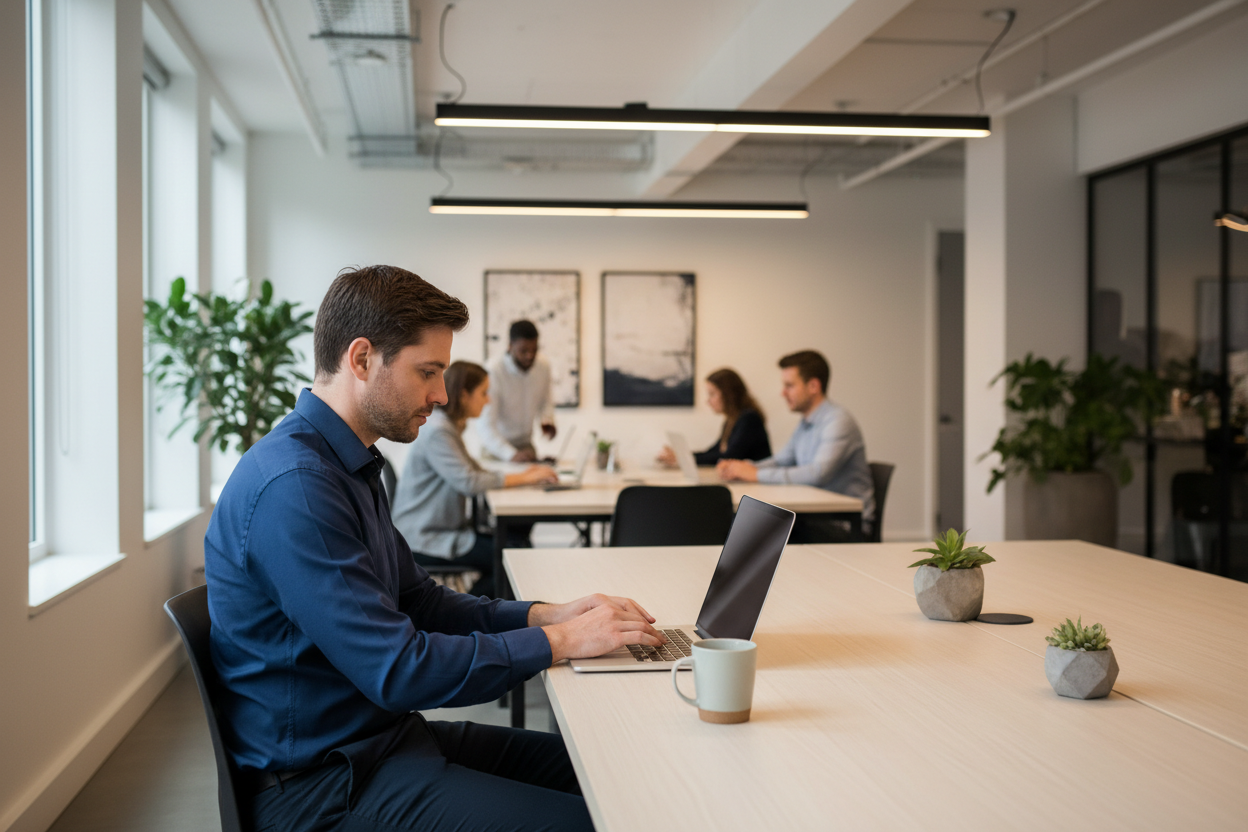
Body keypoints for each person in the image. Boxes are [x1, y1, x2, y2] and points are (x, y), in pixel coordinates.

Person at [203, 265, 666, 832]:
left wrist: (549, 614)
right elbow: (398, 669)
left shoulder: (345, 463)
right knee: (593, 819)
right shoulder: (296, 487)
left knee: (618, 772)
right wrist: (560, 642)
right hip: (324, 786)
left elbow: (419, 602)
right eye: (428, 372)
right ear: (362, 359)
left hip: (382, 742)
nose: (441, 395)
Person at [391, 360, 557, 597]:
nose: (488, 400)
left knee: (517, 543)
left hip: (439, 529)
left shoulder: (448, 426)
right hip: (425, 537)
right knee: (511, 557)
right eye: (483, 393)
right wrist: (524, 478)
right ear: (464, 395)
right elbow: (469, 482)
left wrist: (526, 474)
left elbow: (474, 470)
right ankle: (470, 616)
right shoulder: (439, 431)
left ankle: (488, 615)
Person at [717, 350, 875, 541]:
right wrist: (743, 468)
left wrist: (754, 474)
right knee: (744, 521)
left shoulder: (838, 422)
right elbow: (782, 460)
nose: (783, 393)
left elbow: (817, 474)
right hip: (815, 518)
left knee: (755, 527)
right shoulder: (805, 423)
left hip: (844, 525)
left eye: (789, 386)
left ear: (814, 386)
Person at [658, 368, 770, 467]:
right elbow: (713, 452)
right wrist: (681, 455)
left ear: (728, 394)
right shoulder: (732, 420)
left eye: (712, 394)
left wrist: (683, 458)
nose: (708, 401)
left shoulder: (749, 419)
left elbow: (728, 457)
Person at [479, 319, 556, 462]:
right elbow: (485, 425)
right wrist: (510, 454)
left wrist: (548, 419)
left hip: (526, 446)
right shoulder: (493, 370)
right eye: (523, 351)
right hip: (496, 449)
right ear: (510, 346)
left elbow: (546, 400)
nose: (530, 356)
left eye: (534, 350)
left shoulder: (543, 366)